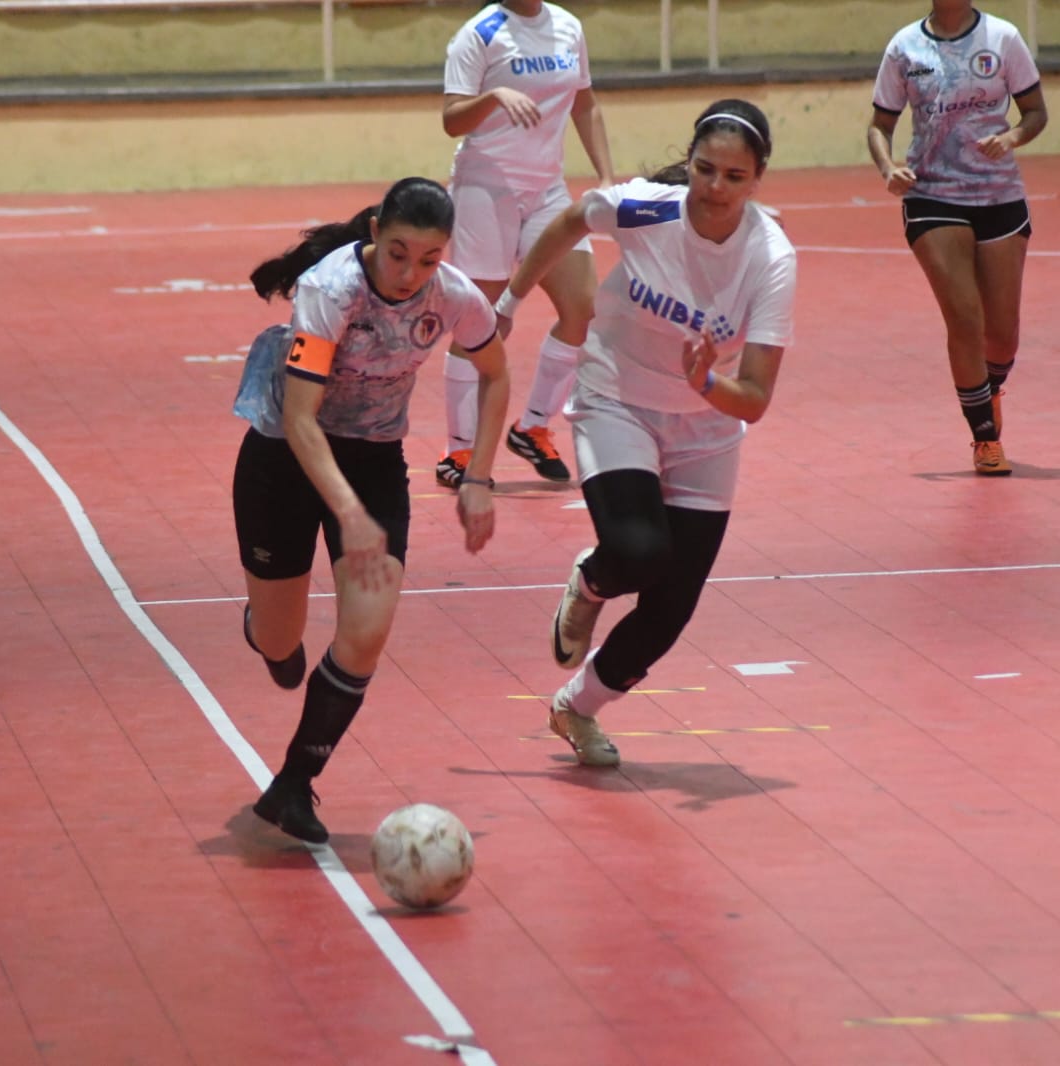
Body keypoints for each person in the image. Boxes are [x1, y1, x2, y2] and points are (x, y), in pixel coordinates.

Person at [493, 100, 796, 767]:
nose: (715, 189)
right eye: (704, 170)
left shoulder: (770, 258)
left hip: (706, 425)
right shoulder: (645, 208)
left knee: (669, 610)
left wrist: (706, 385)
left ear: (757, 179)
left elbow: (754, 400)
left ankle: (575, 709)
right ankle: (593, 581)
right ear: (687, 165)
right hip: (617, 397)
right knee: (636, 551)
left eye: (734, 177)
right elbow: (571, 217)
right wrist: (509, 301)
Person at [232, 177, 510, 843]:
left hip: (375, 461)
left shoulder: (452, 298)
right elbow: (300, 420)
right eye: (397, 253)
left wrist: (479, 475)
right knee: (280, 641)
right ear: (375, 234)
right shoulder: (329, 291)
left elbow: (495, 373)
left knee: (367, 630)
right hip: (285, 459)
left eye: (428, 258)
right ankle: (263, 629)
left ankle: (293, 785)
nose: (409, 273)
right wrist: (346, 514)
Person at [434, 0, 614, 489]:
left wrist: (605, 176)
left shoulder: (568, 26)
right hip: (486, 186)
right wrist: (493, 96)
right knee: (482, 318)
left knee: (583, 309)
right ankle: (459, 449)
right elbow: (452, 119)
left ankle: (533, 425)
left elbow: (585, 102)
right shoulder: (479, 33)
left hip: (547, 189)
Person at [867, 1, 1047, 476]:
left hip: (999, 195)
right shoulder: (904, 46)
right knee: (964, 317)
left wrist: (1012, 138)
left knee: (1002, 335)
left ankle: (989, 390)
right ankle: (984, 435)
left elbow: (1035, 113)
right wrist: (889, 168)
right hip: (932, 196)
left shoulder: (1003, 38)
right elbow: (879, 125)